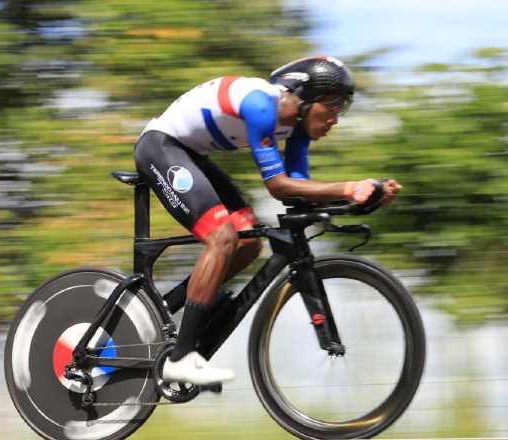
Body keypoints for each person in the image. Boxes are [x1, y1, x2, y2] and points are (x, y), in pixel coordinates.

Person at [133, 55, 402, 385]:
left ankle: (162, 309)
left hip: (191, 155)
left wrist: (363, 195)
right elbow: (277, 186)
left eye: (342, 109)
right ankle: (180, 358)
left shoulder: (298, 129)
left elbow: (298, 192)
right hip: (160, 146)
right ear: (304, 98)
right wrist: (348, 187)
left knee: (247, 244)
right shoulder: (260, 104)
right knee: (223, 237)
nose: (336, 118)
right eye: (333, 106)